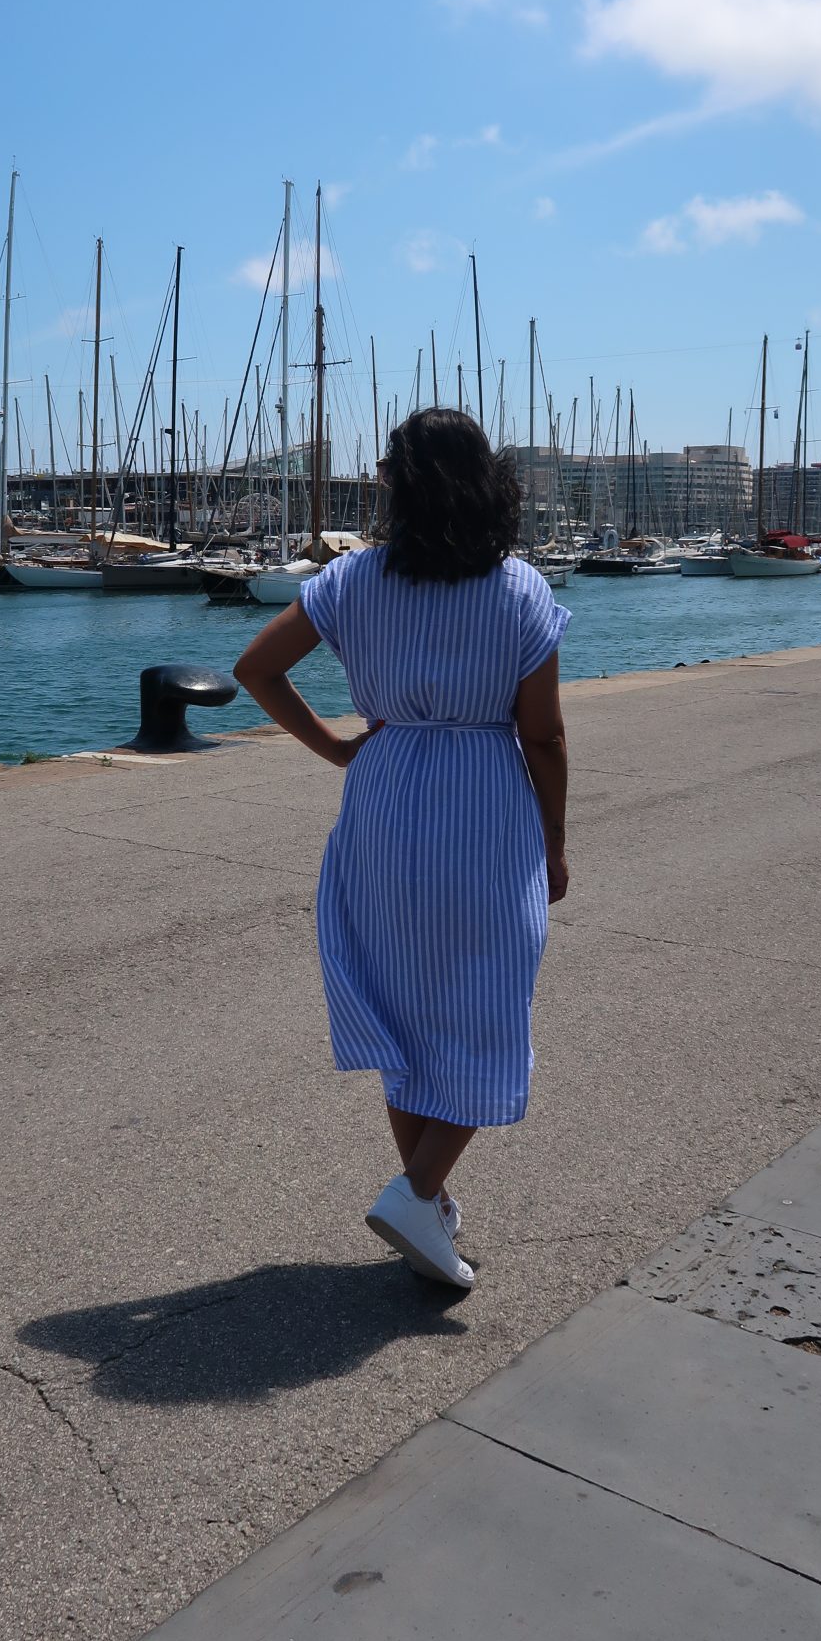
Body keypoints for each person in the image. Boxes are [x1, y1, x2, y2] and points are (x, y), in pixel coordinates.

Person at [234, 407, 569, 1290]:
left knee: (406, 1014)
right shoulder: (519, 589)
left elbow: (256, 669)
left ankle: (429, 1212)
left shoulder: (353, 580)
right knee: (492, 1009)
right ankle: (418, 1190)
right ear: (489, 484)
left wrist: (341, 747)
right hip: (485, 806)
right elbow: (544, 738)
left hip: (382, 803)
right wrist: (556, 842)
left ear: (394, 484)